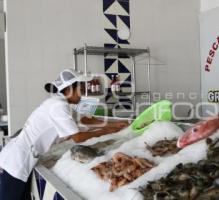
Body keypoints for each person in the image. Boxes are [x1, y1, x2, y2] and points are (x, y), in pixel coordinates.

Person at [0, 69, 129, 200]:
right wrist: (108, 131)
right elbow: (78, 137)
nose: (82, 94)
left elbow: (86, 119)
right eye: (80, 89)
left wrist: (115, 124)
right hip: (18, 161)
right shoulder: (58, 106)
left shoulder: (60, 103)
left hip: (23, 158)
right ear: (69, 90)